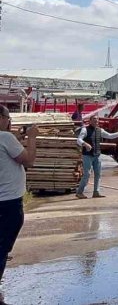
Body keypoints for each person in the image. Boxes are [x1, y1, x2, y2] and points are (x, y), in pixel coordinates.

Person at [0, 106, 37, 305]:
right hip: (7, 203)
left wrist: (18, 139)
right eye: (8, 117)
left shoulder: (7, 140)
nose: (9, 120)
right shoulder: (5, 139)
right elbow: (28, 160)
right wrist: (31, 138)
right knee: (1, 248)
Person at [75, 115, 118, 199]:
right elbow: (79, 140)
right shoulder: (85, 129)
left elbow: (110, 136)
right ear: (90, 121)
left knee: (98, 174)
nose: (96, 121)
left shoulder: (100, 130)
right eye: (94, 119)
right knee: (87, 174)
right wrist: (85, 144)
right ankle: (79, 192)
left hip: (97, 155)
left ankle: (96, 192)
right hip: (87, 156)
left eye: (97, 119)